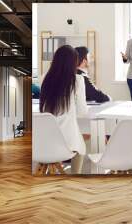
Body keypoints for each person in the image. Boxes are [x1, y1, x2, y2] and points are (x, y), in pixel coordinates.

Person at [39, 45, 87, 174]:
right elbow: (82, 112)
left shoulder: (44, 78)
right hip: (67, 142)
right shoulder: (77, 80)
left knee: (76, 141)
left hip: (44, 143)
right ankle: (75, 177)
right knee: (81, 147)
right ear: (73, 62)